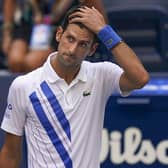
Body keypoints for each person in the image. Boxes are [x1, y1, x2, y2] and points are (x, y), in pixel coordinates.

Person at [0, 5, 149, 168]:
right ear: (58, 34)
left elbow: (140, 78)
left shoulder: (101, 75)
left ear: (92, 49)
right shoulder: (23, 86)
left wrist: (105, 30)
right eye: (70, 39)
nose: (72, 50)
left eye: (83, 44)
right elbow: (10, 154)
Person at [2, 0, 108, 72]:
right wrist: (7, 34)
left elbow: (100, 20)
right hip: (30, 23)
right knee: (15, 61)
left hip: (62, 27)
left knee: (31, 63)